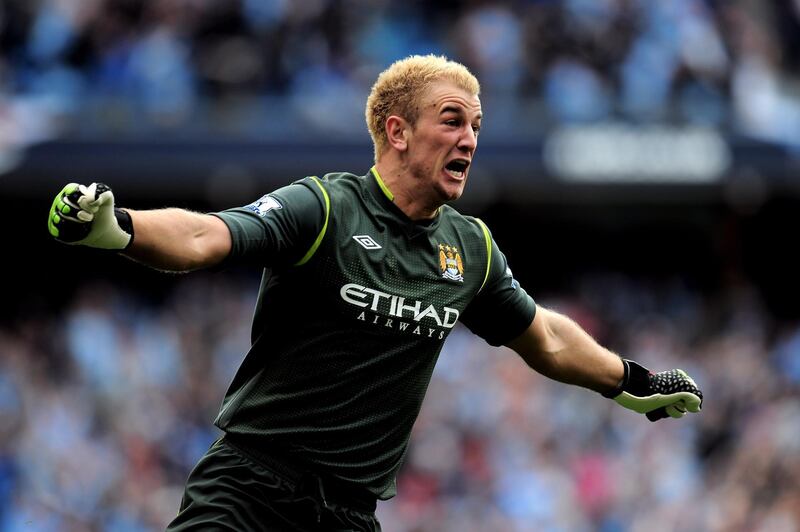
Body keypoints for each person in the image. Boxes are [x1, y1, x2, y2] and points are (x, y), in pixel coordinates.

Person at [47, 55, 703, 531]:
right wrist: (119, 229)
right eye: (452, 121)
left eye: (476, 125)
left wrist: (631, 381)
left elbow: (547, 338)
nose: (470, 139)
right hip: (248, 490)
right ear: (397, 131)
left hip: (351, 513)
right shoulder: (325, 207)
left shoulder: (469, 247)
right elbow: (204, 236)